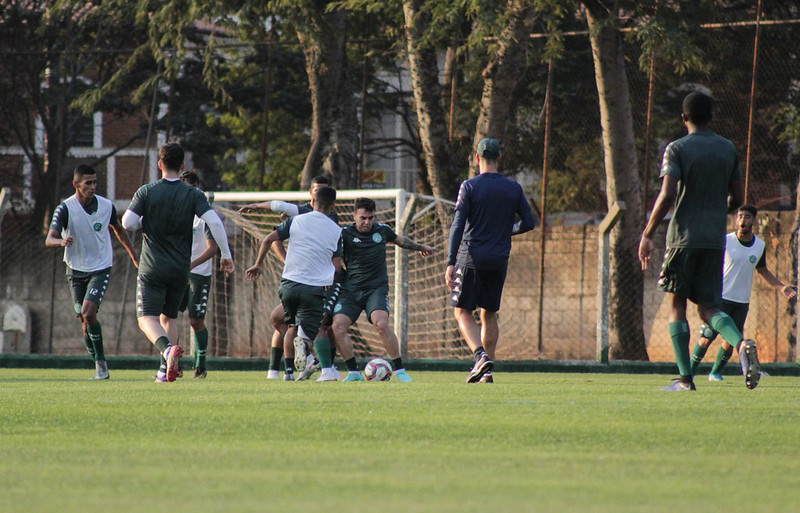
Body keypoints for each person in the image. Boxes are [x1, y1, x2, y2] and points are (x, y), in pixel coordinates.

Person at [639, 90, 758, 392]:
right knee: (709, 308)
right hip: (715, 240)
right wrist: (720, 209)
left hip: (683, 238)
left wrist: (648, 233)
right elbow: (739, 200)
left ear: (684, 118)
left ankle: (684, 380)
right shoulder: (728, 149)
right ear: (711, 117)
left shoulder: (676, 148)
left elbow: (667, 194)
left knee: (677, 304)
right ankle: (741, 344)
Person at [122, 142, 234, 382]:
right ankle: (165, 370)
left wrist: (147, 222)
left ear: (159, 164)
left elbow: (127, 223)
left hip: (153, 267)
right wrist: (226, 254)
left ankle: (167, 350)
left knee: (146, 318)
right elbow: (215, 222)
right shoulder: (193, 194)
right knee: (170, 317)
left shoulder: (147, 191)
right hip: (180, 270)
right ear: (182, 165)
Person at [445, 138, 537, 383]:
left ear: (477, 158)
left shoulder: (469, 186)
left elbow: (457, 225)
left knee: (462, 310)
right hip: (499, 259)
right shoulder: (513, 187)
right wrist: (508, 230)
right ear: (499, 159)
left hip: (472, 257)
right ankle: (487, 372)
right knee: (489, 313)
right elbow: (529, 223)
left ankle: (479, 356)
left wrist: (450, 261)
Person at [238, 175, 339, 381]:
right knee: (315, 329)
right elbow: (337, 264)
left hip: (289, 285)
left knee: (288, 324)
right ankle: (321, 365)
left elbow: (272, 229)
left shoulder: (297, 218)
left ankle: (287, 373)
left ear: (315, 198)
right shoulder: (334, 228)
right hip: (314, 286)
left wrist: (258, 264)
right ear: (311, 193)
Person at [45, 164, 139, 380]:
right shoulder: (65, 208)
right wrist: (61, 242)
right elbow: (49, 239)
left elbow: (119, 231)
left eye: (95, 182)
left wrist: (134, 256)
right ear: (76, 184)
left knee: (88, 313)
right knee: (84, 322)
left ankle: (102, 365)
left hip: (101, 267)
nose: (93, 187)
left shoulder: (106, 206)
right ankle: (98, 364)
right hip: (75, 271)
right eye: (88, 183)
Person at [330, 197, 435, 382]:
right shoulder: (343, 233)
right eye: (363, 218)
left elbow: (400, 240)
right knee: (337, 327)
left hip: (375, 290)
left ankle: (400, 371)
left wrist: (420, 247)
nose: (367, 222)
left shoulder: (382, 230)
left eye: (370, 217)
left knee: (382, 324)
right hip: (350, 291)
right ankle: (354, 373)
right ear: (354, 216)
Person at [690, 204, 796, 381]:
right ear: (735, 220)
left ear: (754, 220)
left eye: (747, 217)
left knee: (731, 341)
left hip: (741, 302)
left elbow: (763, 271)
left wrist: (782, 287)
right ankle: (689, 373)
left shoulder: (760, 246)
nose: (743, 220)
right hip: (720, 299)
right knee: (707, 337)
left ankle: (715, 373)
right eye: (740, 217)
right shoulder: (726, 241)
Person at [178, 170, 220, 379]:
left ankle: (200, 365)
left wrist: (191, 265)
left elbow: (213, 248)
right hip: (176, 274)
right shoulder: (174, 212)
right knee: (167, 317)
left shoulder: (204, 216)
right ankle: (168, 363)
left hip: (199, 275)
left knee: (196, 320)